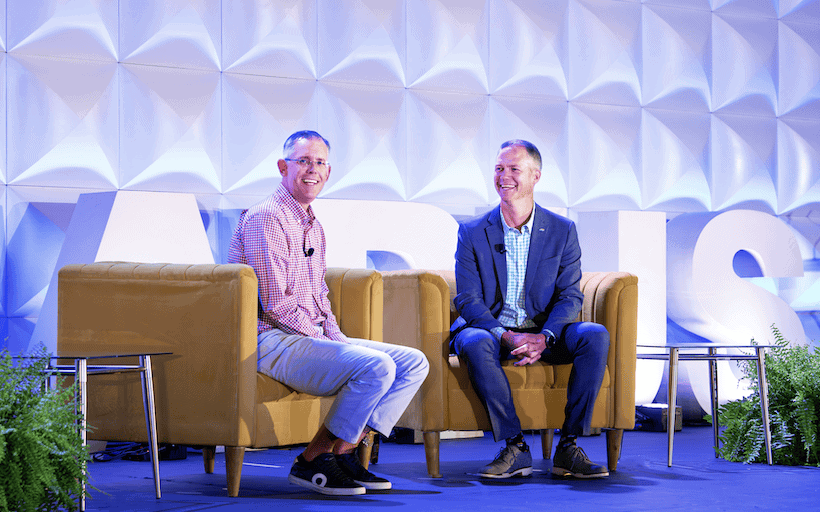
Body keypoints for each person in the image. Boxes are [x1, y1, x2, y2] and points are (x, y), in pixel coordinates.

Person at [228, 130, 429, 495]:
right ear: (282, 167)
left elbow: (319, 295)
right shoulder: (266, 219)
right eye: (303, 161)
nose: (312, 170)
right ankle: (313, 460)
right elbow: (276, 304)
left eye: (319, 163)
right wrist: (325, 341)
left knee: (414, 362)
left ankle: (344, 454)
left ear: (328, 171)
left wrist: (335, 338)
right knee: (376, 366)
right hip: (270, 339)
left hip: (305, 337)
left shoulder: (313, 225)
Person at [450, 139, 610, 479]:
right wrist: (501, 333)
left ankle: (568, 447)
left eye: (513, 169)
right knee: (476, 342)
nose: (504, 176)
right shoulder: (472, 231)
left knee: (594, 335)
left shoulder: (562, 230)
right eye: (498, 169)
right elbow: (467, 298)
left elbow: (570, 295)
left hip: (544, 330)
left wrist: (546, 336)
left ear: (535, 176)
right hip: (489, 330)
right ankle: (515, 447)